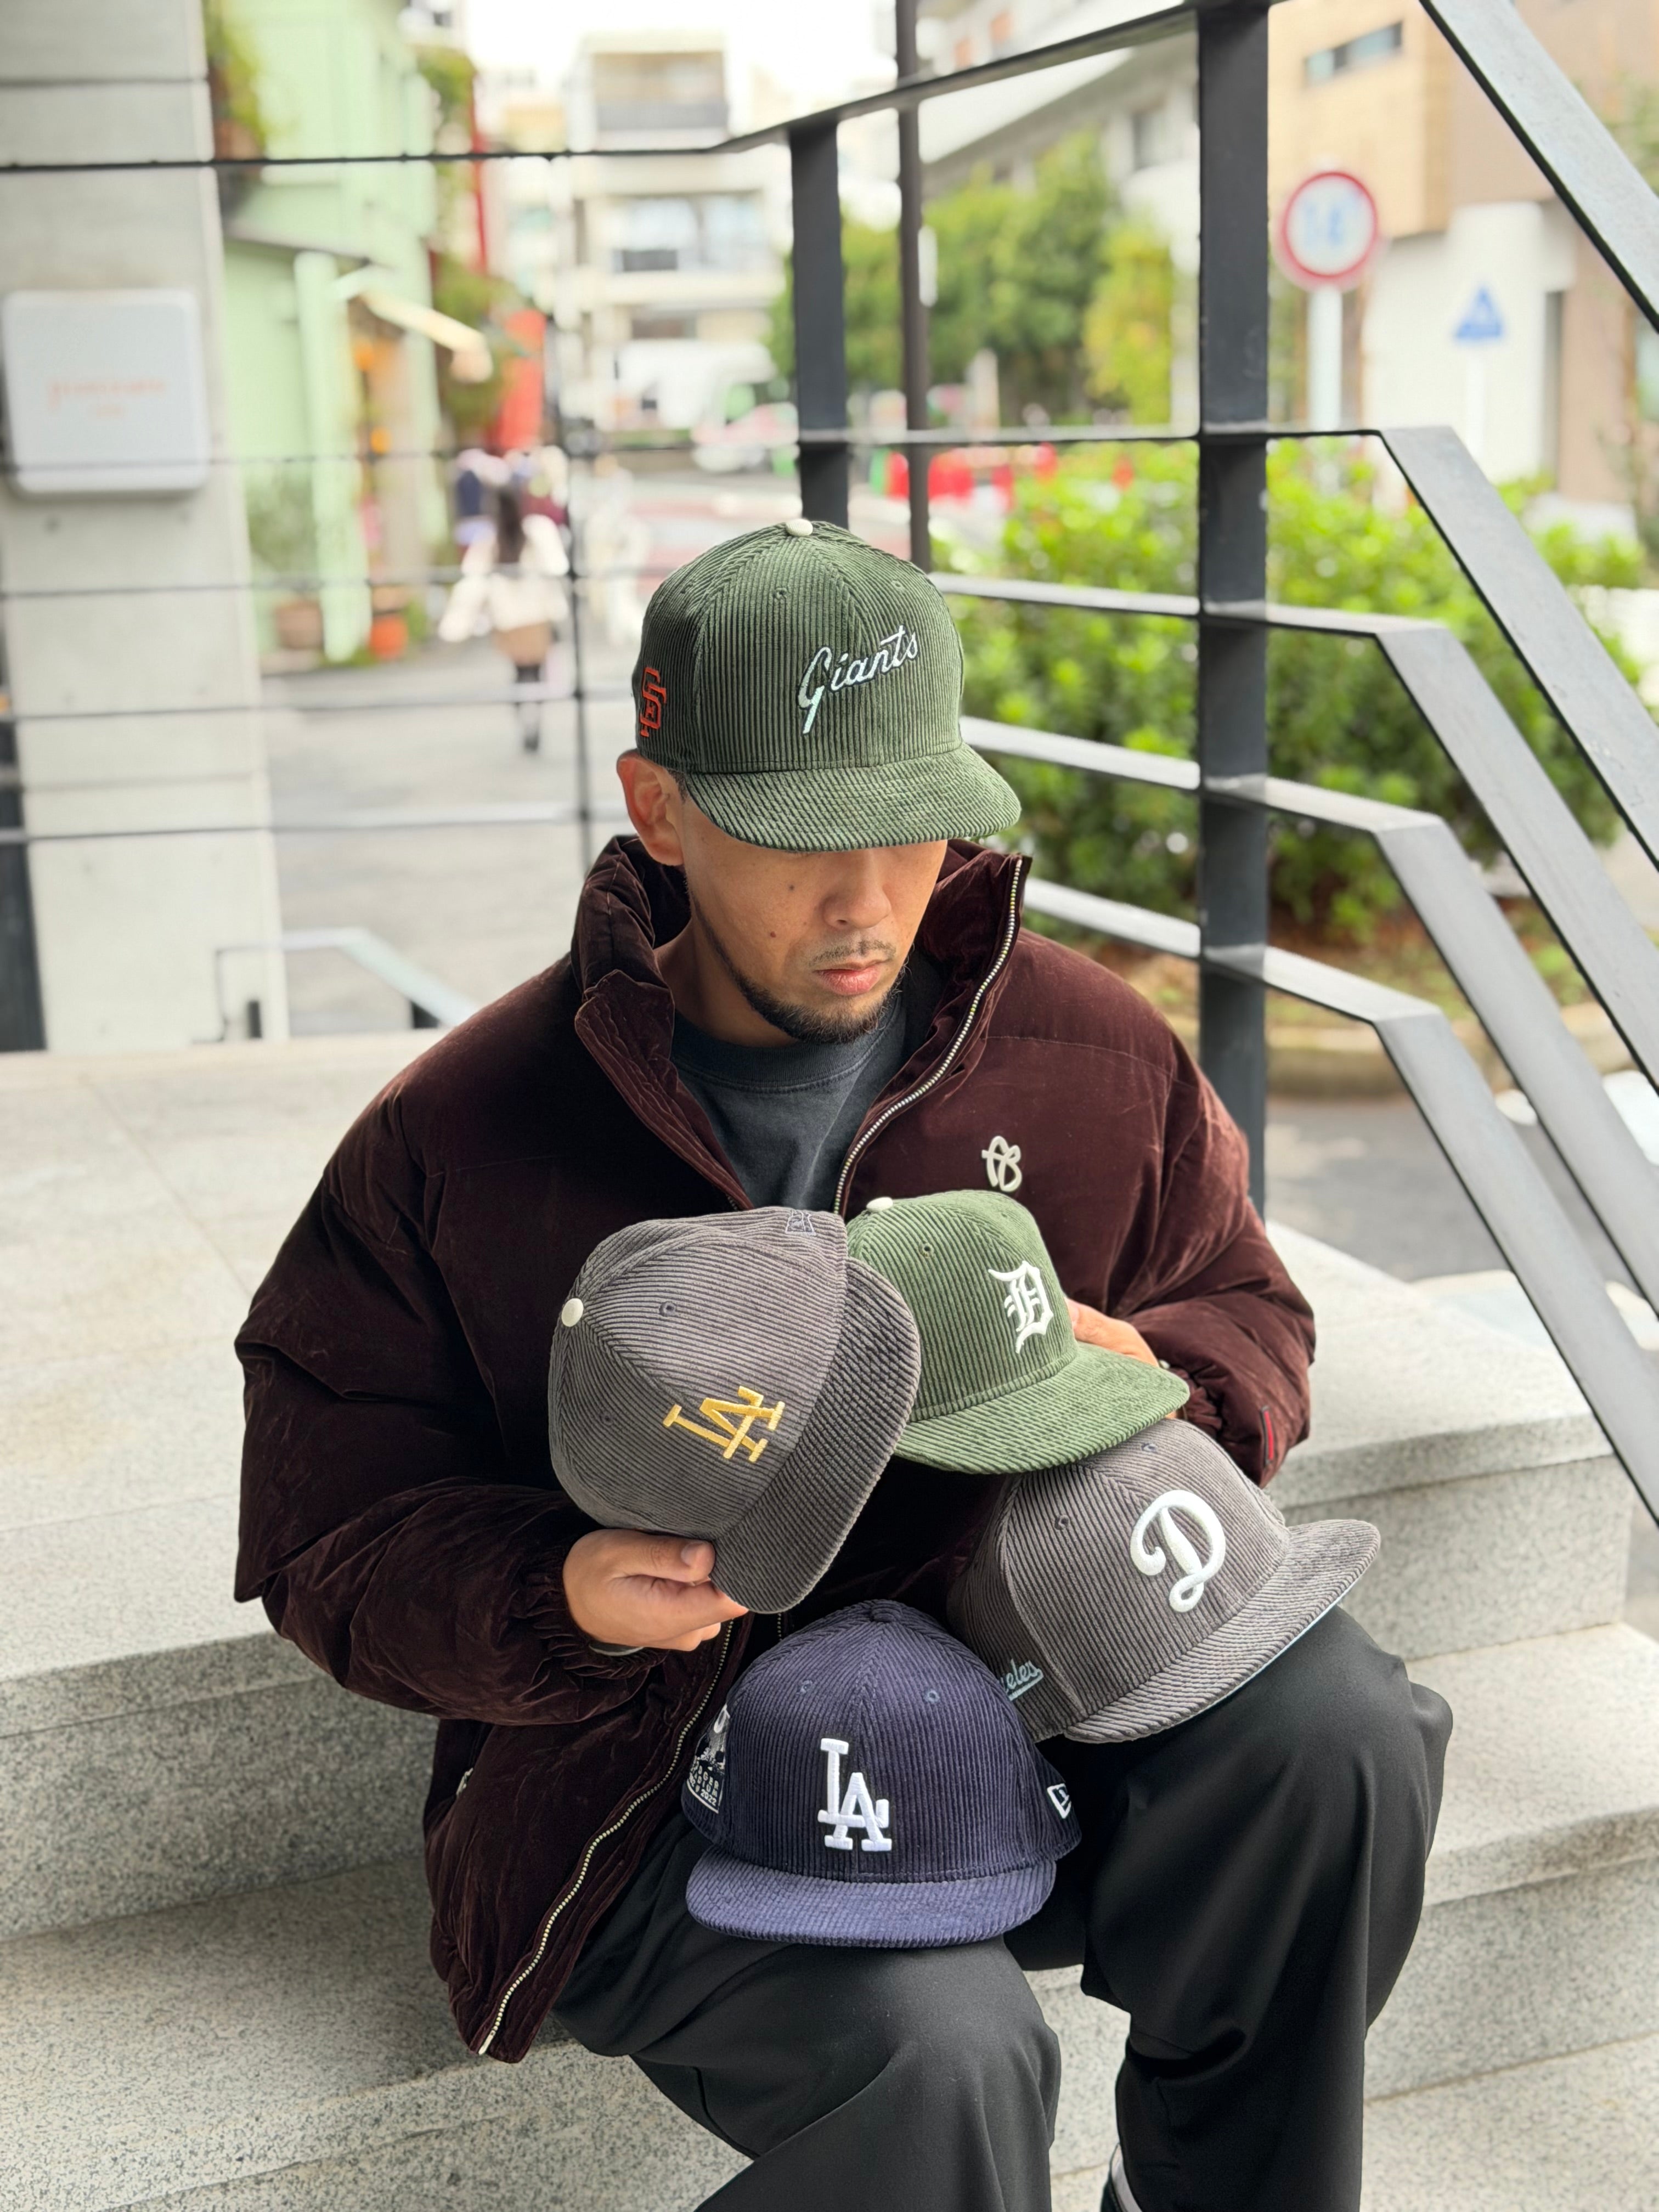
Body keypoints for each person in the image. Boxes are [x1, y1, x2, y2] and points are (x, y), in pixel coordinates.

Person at [235, 519, 1441, 2212]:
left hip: (1037, 1691)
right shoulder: (459, 1138)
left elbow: (1247, 1306)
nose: (870, 894)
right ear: (659, 809)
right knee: (945, 2057)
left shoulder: (1089, 1051)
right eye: (801, 837)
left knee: (1343, 1733)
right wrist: (560, 1589)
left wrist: (1166, 1374)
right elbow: (327, 1540)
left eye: (910, 821)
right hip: (669, 1768)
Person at [438, 482, 569, 751]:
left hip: (508, 622)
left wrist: (455, 625)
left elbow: (472, 583)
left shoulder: (490, 539)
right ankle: (534, 720)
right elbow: (558, 568)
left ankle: (525, 719)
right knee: (536, 673)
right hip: (536, 618)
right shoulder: (537, 530)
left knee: (520, 674)